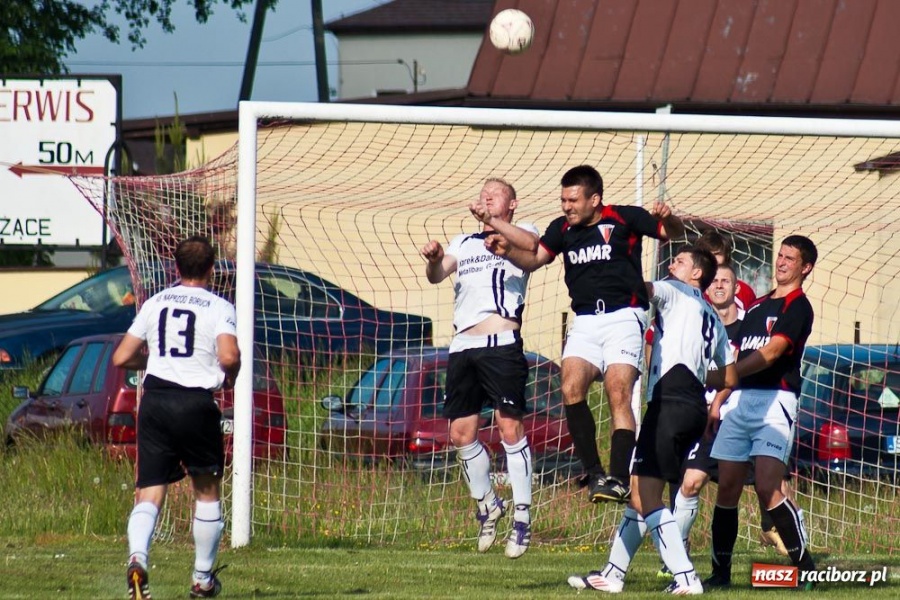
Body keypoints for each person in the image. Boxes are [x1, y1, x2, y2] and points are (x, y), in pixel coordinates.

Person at [477, 164, 683, 503]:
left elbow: (669, 232)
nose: (566, 207)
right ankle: (594, 472)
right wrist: (507, 252)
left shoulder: (625, 218)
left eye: (573, 200)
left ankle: (618, 478)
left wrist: (669, 216)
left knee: (619, 392)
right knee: (571, 385)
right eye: (563, 200)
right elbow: (534, 259)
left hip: (624, 316)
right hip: (586, 320)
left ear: (595, 199)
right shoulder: (561, 229)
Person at [567, 246, 737, 594]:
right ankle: (613, 574)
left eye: (680, 261)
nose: (672, 263)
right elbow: (730, 378)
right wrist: (698, 377)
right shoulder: (712, 316)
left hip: (671, 403)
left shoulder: (675, 291)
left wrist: (608, 268)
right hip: (688, 406)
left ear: (695, 275)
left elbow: (642, 289)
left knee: (647, 497)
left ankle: (686, 577)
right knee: (640, 493)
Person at [113, 235, 240, 600]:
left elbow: (122, 357)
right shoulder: (219, 306)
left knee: (149, 492)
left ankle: (138, 558)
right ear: (212, 269)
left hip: (154, 402)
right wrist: (230, 373)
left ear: (177, 267)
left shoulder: (155, 302)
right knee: (207, 489)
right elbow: (229, 356)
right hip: (194, 403)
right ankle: (202, 578)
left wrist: (153, 362)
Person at [420, 178, 537, 559]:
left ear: (512, 203)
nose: (487, 196)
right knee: (460, 433)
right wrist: (436, 259)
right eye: (483, 192)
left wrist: (493, 221)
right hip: (463, 345)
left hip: (500, 345)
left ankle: (522, 518)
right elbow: (438, 275)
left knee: (509, 426)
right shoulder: (464, 242)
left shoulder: (523, 234)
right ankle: (488, 503)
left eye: (495, 193)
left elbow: (532, 247)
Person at [706, 235, 818, 588]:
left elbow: (772, 353)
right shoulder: (756, 307)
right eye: (780, 255)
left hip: (775, 401)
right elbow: (739, 357)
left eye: (790, 258)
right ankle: (720, 575)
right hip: (740, 402)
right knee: (726, 488)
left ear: (805, 267)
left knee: (768, 488)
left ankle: (807, 569)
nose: (781, 262)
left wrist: (724, 375)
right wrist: (719, 399)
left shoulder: (799, 307)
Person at [695, 230, 757, 310]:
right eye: (707, 255)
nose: (712, 259)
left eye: (716, 254)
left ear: (726, 257)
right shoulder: (690, 291)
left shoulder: (744, 291)